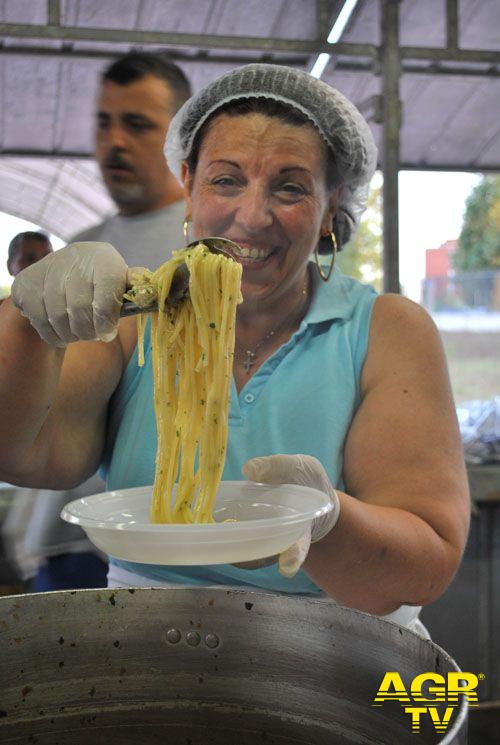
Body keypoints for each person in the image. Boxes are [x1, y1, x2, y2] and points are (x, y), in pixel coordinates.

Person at [0, 64, 469, 635]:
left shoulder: (384, 330)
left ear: (329, 205)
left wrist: (322, 522)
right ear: (188, 187)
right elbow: (29, 453)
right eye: (226, 181)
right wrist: (32, 324)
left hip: (340, 647)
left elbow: (426, 564)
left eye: (290, 186)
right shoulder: (133, 320)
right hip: (148, 638)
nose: (251, 216)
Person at [20, 51, 192, 591]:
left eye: (137, 125)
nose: (114, 142)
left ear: (181, 135)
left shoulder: (205, 248)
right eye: (104, 122)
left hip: (144, 538)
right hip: (62, 532)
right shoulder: (86, 245)